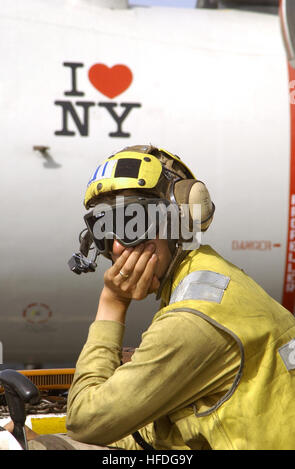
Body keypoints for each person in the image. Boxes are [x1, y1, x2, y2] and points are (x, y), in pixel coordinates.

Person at [13, 144, 295, 450]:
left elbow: (85, 423)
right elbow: (164, 433)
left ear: (180, 220)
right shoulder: (210, 281)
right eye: (104, 231)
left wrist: (113, 302)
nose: (118, 247)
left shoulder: (194, 318)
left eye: (132, 224)